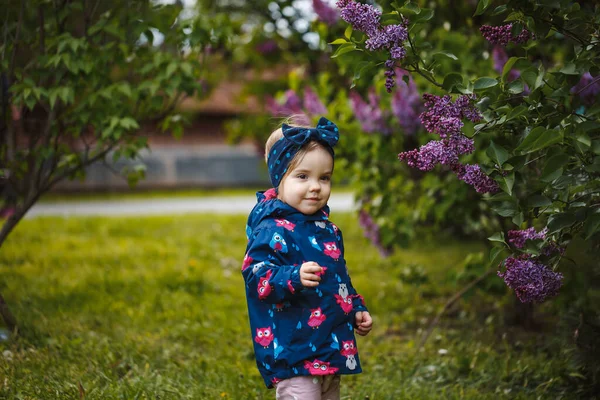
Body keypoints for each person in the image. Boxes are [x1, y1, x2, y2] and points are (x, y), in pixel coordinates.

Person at [241, 116, 372, 399]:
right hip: (295, 352)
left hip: (330, 346)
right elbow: (256, 276)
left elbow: (340, 277)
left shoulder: (328, 229)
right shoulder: (271, 228)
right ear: (279, 178)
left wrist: (356, 306)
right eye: (303, 176)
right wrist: (293, 276)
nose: (315, 186)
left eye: (324, 178)